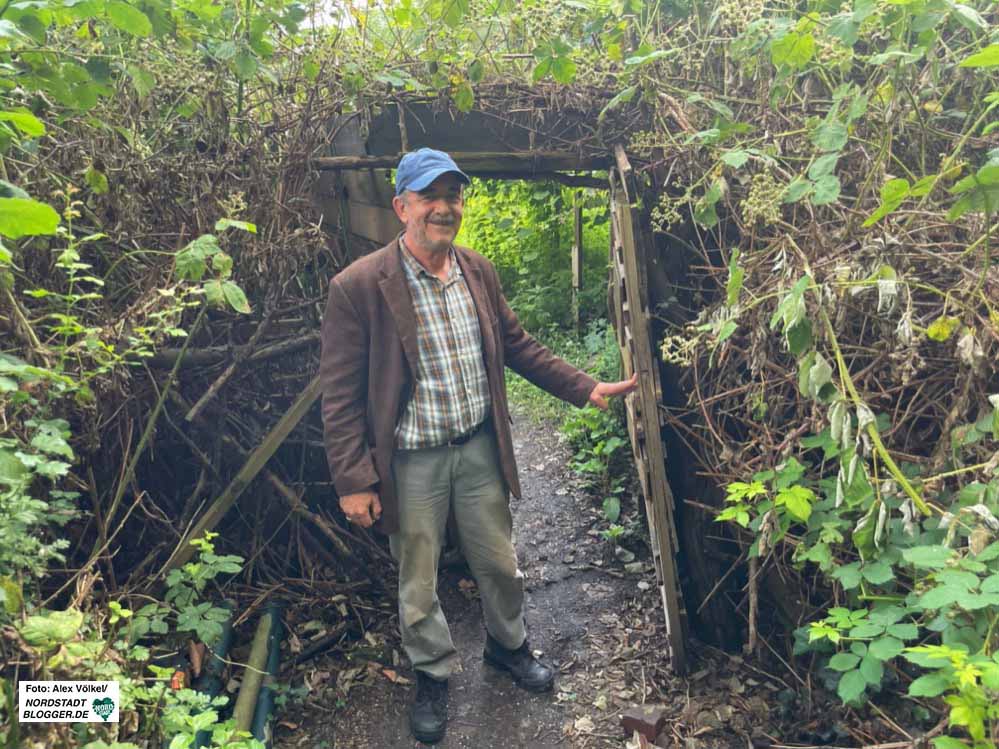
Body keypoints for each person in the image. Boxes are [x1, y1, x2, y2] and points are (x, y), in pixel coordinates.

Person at [319, 148, 638, 744]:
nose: (443, 208)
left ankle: (507, 646)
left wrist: (585, 386)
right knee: (418, 577)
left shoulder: (477, 271)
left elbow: (518, 347)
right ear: (401, 207)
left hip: (477, 450)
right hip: (411, 460)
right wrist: (354, 480)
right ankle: (433, 673)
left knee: (499, 562)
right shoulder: (359, 287)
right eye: (429, 196)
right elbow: (338, 396)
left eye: (452, 196)